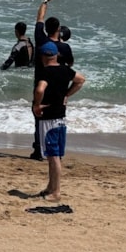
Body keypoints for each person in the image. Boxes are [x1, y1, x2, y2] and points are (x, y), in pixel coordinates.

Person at [32, 42, 85, 202]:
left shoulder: (45, 72)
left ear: (42, 57)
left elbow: (40, 89)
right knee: (54, 155)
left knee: (53, 155)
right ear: (56, 55)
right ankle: (51, 186)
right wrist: (67, 95)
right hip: (61, 117)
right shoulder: (65, 70)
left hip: (49, 119)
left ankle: (56, 192)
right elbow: (81, 80)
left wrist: (36, 105)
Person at [30, 0, 74, 160]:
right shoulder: (64, 48)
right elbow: (70, 65)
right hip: (59, 86)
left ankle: (38, 150)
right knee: (58, 117)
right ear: (59, 30)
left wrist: (45, 1)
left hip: (41, 83)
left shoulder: (40, 39)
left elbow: (39, 18)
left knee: (39, 117)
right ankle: (56, 151)